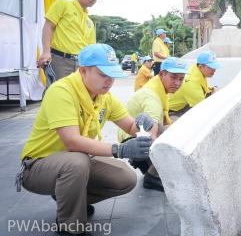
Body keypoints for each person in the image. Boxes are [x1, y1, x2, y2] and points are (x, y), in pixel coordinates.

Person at [18, 44, 157, 235]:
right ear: (83, 71)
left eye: (112, 75)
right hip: (38, 166)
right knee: (77, 162)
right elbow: (72, 142)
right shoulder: (62, 91)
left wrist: (144, 124)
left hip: (75, 160)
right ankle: (70, 227)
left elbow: (131, 127)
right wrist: (120, 150)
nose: (109, 81)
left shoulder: (103, 97)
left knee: (126, 179)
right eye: (103, 74)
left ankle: (70, 198)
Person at [117, 57, 189, 191]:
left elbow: (165, 120)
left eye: (181, 79)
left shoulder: (160, 87)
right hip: (133, 142)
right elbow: (152, 137)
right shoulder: (152, 97)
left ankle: (146, 163)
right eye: (174, 77)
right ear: (161, 74)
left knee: (179, 124)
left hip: (135, 135)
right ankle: (152, 176)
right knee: (178, 135)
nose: (177, 83)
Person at [37, 0, 103, 80]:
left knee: (79, 94)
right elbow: (48, 27)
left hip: (81, 64)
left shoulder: (89, 21)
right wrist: (46, 52)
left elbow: (90, 47)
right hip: (61, 60)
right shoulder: (63, 4)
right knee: (57, 92)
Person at [169, 51, 223, 120]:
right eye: (211, 67)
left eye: (215, 67)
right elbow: (204, 110)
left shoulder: (195, 70)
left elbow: (201, 87)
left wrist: (213, 89)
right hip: (172, 112)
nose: (214, 70)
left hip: (182, 104)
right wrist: (215, 93)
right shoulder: (192, 84)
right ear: (200, 67)